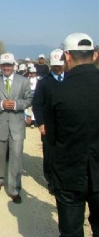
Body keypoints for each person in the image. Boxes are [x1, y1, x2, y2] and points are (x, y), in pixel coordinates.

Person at [45, 33, 99, 236]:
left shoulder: (59, 92)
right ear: (94, 55)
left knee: (71, 231)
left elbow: (51, 137)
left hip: (69, 173)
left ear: (67, 56)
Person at [0, 53, 32, 204]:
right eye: (4, 65)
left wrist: (17, 104)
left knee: (16, 157)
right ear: (0, 66)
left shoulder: (23, 81)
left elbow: (29, 99)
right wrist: (0, 104)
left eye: (9, 65)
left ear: (14, 66)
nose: (6, 67)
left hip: (16, 125)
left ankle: (14, 188)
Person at [32, 48, 65, 194]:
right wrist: (41, 123)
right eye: (55, 66)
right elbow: (37, 104)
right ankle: (51, 180)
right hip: (49, 126)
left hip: (67, 124)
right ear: (51, 65)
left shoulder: (70, 79)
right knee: (50, 154)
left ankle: (64, 179)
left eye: (60, 65)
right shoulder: (44, 82)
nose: (58, 68)